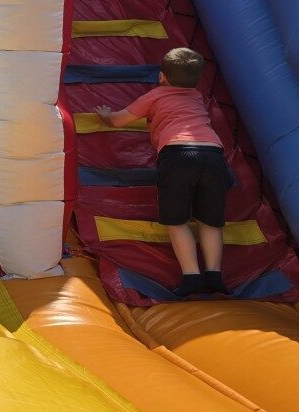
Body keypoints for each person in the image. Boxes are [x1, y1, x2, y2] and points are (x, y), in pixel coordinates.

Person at [94, 48, 230, 298]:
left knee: (177, 221)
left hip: (177, 154)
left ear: (161, 76)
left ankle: (192, 276)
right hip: (213, 154)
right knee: (210, 221)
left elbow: (118, 120)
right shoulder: (197, 96)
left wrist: (104, 116)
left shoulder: (155, 95)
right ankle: (214, 275)